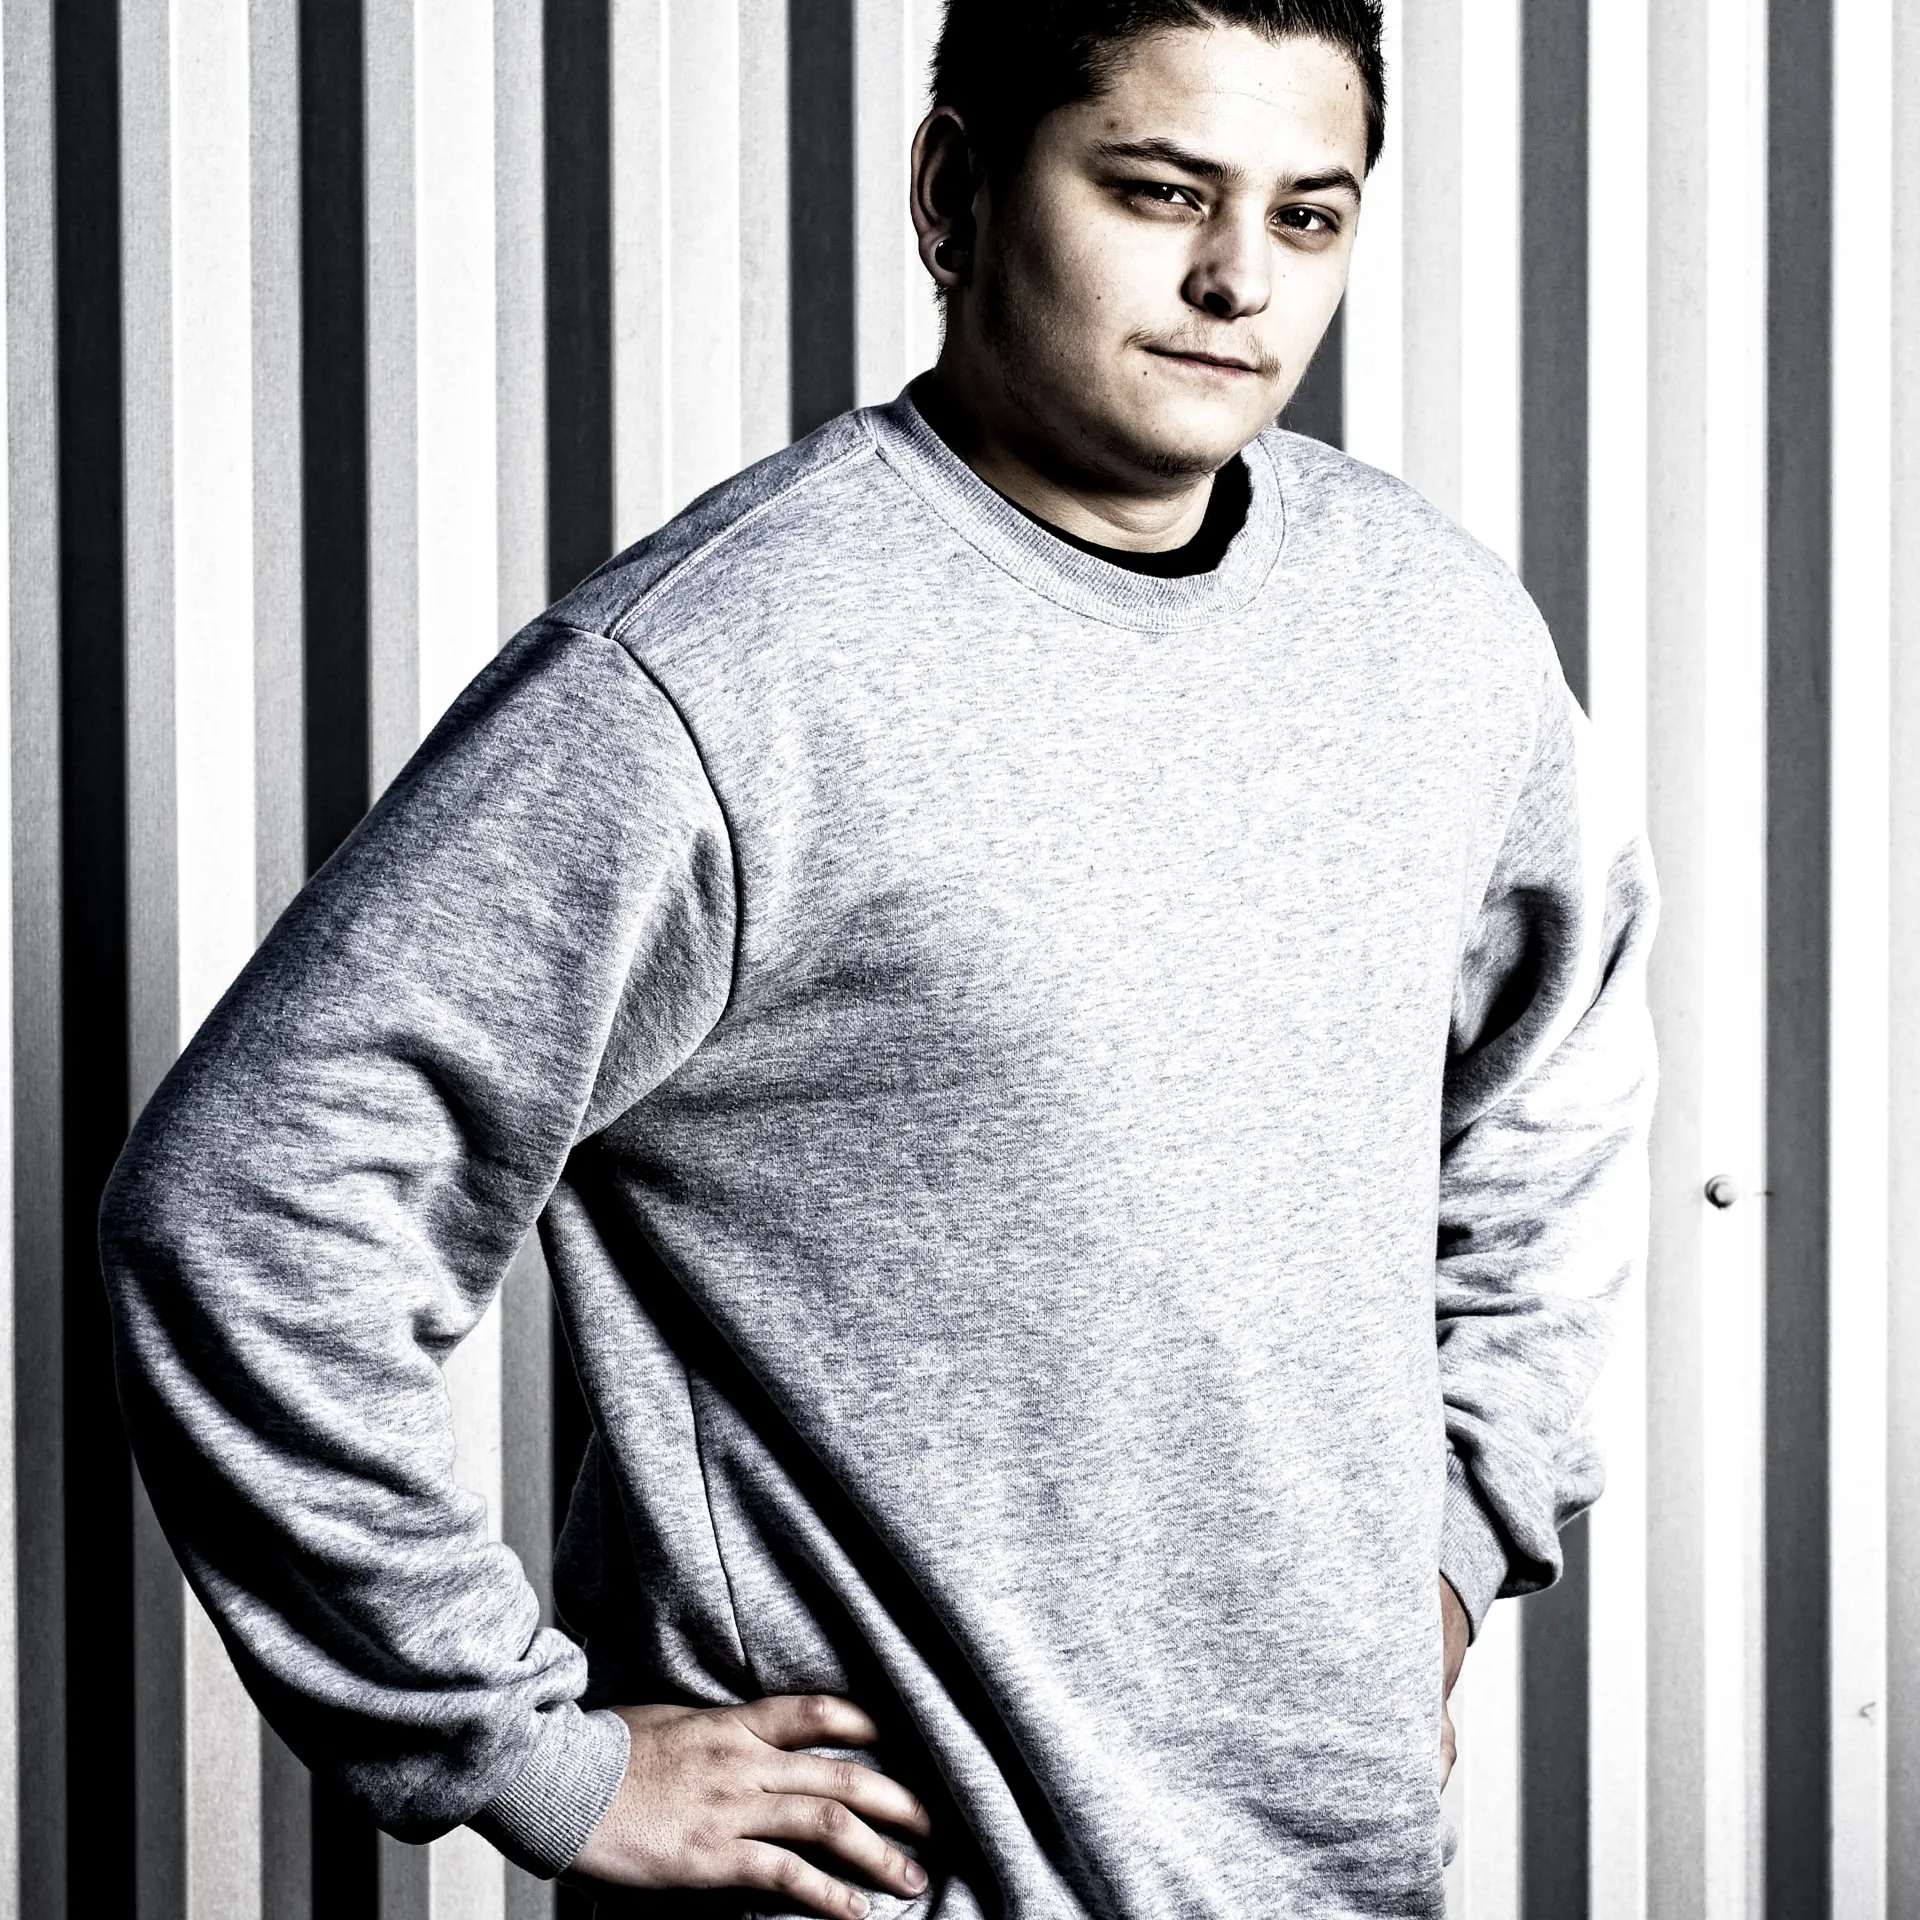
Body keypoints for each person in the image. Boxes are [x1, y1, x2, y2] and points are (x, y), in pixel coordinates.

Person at [100, 2, 1655, 1914]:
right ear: (953, 190)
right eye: (1160, 192)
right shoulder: (711, 677)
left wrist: (1456, 1534)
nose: (1240, 280)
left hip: (1335, 1872)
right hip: (888, 1884)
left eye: (1307, 215)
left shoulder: (1433, 634)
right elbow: (250, 1207)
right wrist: (520, 1750)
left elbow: (1555, 1093)